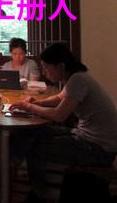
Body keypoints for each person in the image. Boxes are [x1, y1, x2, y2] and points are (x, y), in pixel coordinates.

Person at [10, 43, 117, 201]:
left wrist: (30, 107)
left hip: (98, 149)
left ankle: (38, 193)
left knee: (35, 147)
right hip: (85, 137)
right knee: (32, 131)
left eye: (46, 68)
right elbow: (59, 98)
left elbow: (59, 115)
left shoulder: (78, 80)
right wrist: (37, 103)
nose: (44, 73)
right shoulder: (76, 77)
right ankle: (12, 167)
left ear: (60, 66)